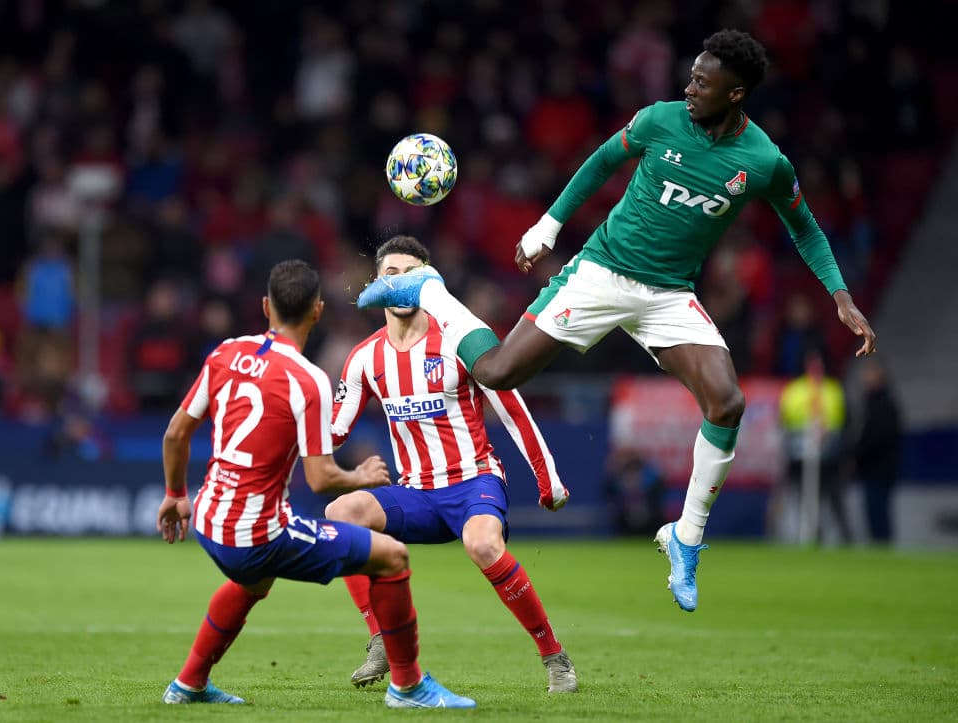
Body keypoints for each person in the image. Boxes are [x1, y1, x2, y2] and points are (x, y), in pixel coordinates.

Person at [356, 29, 877, 612]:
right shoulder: (660, 120)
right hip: (600, 273)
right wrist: (549, 226)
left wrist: (840, 294)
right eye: (692, 74)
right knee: (499, 372)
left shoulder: (763, 162)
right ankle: (433, 290)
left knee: (727, 403)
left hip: (668, 295)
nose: (690, 86)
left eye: (704, 82)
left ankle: (686, 537)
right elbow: (603, 160)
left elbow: (802, 225)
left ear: (736, 95)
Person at [156, 259, 475, 709]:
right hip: (256, 532)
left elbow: (175, 434)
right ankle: (408, 687)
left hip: (208, 516)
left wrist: (174, 495)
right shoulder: (308, 381)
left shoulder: (224, 353)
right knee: (392, 556)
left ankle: (188, 684)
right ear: (318, 311)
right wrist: (359, 476)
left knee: (255, 581)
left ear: (266, 306)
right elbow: (320, 477)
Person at [327, 235, 576, 693]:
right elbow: (334, 432)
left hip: (472, 482)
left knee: (483, 545)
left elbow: (513, 409)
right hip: (415, 495)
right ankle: (380, 639)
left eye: (411, 274)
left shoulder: (460, 341)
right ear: (378, 285)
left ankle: (554, 655)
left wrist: (549, 479)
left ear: (429, 282)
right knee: (341, 513)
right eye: (391, 275)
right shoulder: (365, 357)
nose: (400, 283)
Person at [776, 348, 851, 544]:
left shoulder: (832, 389)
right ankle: (806, 532)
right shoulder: (795, 389)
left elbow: (840, 417)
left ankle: (844, 536)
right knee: (800, 496)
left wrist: (826, 428)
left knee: (833, 496)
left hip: (828, 455)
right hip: (800, 455)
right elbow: (787, 416)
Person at [851, 359, 902, 543]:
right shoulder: (872, 402)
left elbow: (878, 438)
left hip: (879, 469)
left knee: (878, 511)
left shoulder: (883, 405)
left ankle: (882, 545)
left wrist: (859, 455)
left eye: (869, 374)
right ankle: (880, 545)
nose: (864, 378)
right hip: (874, 468)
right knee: (874, 512)